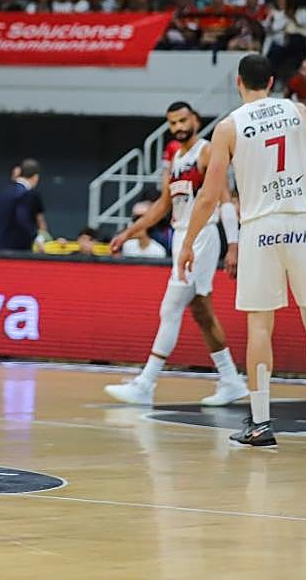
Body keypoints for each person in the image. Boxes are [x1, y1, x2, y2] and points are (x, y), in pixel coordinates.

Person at [179, 55, 306, 450]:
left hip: (260, 227)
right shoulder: (300, 112)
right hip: (305, 219)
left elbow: (210, 195)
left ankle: (261, 424)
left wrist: (187, 242)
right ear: (271, 80)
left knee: (260, 325)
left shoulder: (229, 126)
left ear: (238, 83)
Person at [106, 102, 248, 406]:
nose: (178, 127)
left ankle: (146, 383)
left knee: (170, 309)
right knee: (201, 311)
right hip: (180, 236)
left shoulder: (207, 151)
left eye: (183, 120)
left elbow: (224, 200)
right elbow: (161, 205)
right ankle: (232, 381)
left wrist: (233, 245)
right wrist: (127, 233)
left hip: (203, 236)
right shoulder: (176, 157)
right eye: (172, 123)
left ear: (196, 119)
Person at [0, 159, 47, 251]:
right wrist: (36, 237)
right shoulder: (27, 195)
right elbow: (22, 219)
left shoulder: (1, 193)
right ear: (35, 177)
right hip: (16, 250)